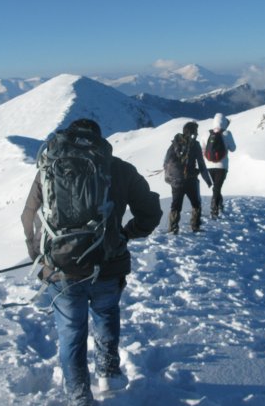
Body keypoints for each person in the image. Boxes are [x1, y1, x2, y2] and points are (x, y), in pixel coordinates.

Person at [21, 118, 162, 406]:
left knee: (71, 332)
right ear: (99, 140)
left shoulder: (48, 170)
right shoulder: (119, 169)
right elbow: (150, 212)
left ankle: (78, 396)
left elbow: (29, 217)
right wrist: (126, 233)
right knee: (106, 316)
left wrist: (40, 256)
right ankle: (109, 372)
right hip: (107, 263)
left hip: (61, 269)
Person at [163, 121, 212, 233]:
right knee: (196, 203)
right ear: (192, 132)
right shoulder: (195, 145)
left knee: (175, 205)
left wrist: (168, 178)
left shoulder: (174, 144)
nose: (197, 133)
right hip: (190, 179)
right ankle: (195, 226)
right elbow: (201, 164)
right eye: (196, 131)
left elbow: (166, 162)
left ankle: (173, 228)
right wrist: (207, 180)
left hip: (176, 181)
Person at [202, 113, 236, 218]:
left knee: (216, 187)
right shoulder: (227, 133)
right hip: (222, 166)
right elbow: (233, 148)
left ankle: (219, 204)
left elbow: (202, 148)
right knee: (217, 187)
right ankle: (214, 208)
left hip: (209, 165)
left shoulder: (206, 134)